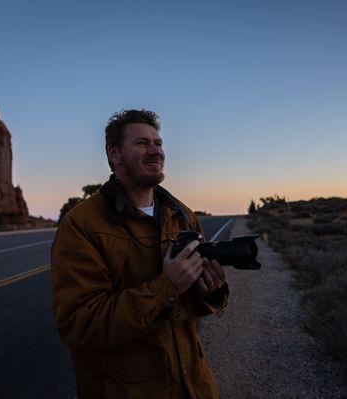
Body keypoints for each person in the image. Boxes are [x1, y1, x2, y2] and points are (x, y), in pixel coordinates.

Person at [51, 109, 229, 399]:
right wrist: (165, 288)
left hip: (195, 386)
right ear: (114, 154)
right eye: (142, 143)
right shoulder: (82, 225)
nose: (155, 151)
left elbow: (189, 310)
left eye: (158, 143)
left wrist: (210, 292)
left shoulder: (182, 215)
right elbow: (79, 326)